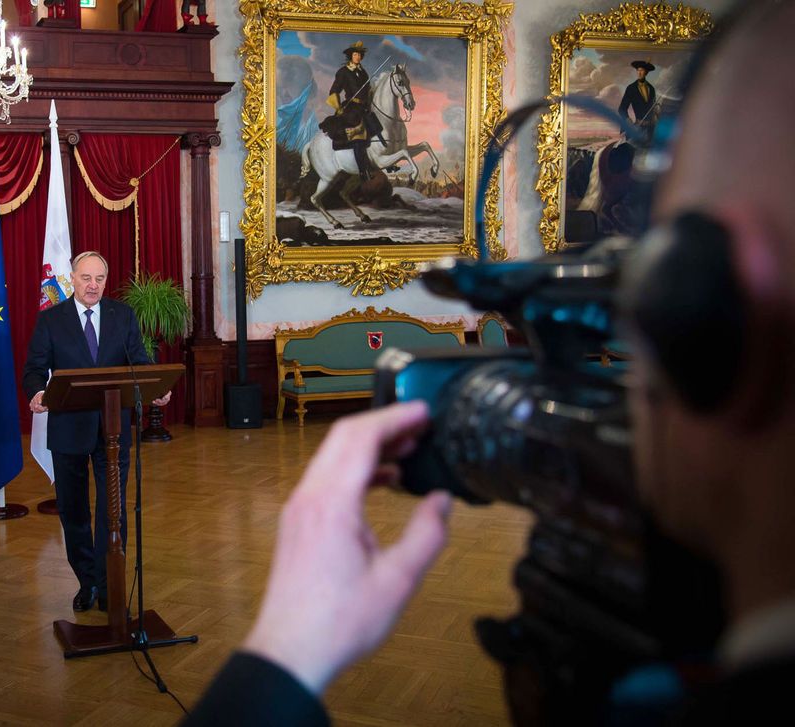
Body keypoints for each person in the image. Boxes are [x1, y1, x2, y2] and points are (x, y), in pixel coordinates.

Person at [184, 1, 795, 723]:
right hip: (345, 122)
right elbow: (346, 100)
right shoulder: (350, 81)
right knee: (358, 132)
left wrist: (286, 653)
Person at [22, 251, 171, 613]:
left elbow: (138, 361)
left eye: (99, 278)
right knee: (74, 513)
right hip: (68, 430)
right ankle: (86, 582)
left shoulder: (123, 315)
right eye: (86, 278)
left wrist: (154, 387)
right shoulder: (51, 319)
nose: (93, 285)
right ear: (72, 278)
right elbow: (34, 369)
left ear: (106, 281)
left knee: (112, 512)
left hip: (113, 430)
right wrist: (37, 393)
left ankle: (108, 586)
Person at [318, 41, 383, 180]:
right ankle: (363, 171)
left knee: (376, 128)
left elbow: (367, 91)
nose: (358, 57)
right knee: (358, 136)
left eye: (359, 55)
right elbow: (334, 90)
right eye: (355, 54)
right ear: (350, 56)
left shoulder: (363, 73)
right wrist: (338, 107)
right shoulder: (343, 72)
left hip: (364, 107)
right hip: (351, 108)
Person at [618, 60, 658, 144]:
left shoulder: (651, 88)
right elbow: (622, 108)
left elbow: (653, 106)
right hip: (637, 127)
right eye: (638, 71)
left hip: (650, 128)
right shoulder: (631, 88)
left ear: (646, 72)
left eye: (642, 71)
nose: (639, 73)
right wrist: (628, 120)